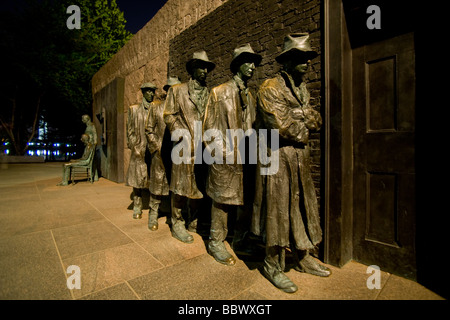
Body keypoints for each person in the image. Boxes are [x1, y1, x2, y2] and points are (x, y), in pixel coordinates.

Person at [252, 33, 330, 293]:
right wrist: (303, 120)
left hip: (299, 157)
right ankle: (272, 263)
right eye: (300, 58)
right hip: (276, 157)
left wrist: (302, 116)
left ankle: (303, 256)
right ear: (286, 61)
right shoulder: (269, 87)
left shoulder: (303, 88)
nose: (306, 63)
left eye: (307, 57)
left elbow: (317, 120)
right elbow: (280, 125)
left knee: (301, 205)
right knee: (277, 210)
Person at [203, 44, 262, 266]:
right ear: (237, 65)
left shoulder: (251, 94)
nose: (253, 67)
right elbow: (209, 129)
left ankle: (240, 239)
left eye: (254, 62)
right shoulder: (219, 92)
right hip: (226, 158)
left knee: (245, 199)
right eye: (248, 62)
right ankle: (216, 241)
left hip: (247, 157)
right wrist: (225, 154)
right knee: (222, 201)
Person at [164, 51, 215, 243]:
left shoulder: (210, 94)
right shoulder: (177, 91)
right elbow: (169, 115)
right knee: (180, 185)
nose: (204, 71)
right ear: (192, 69)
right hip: (184, 146)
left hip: (204, 147)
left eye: (206, 68)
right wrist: (182, 134)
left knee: (198, 186)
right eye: (200, 67)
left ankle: (193, 220)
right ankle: (176, 221)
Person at [143, 77, 181, 231]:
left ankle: (175, 215)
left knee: (175, 184)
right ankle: (153, 213)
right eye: (171, 89)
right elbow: (149, 129)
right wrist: (156, 147)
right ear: (167, 91)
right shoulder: (156, 106)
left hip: (177, 154)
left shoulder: (181, 108)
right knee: (157, 183)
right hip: (159, 153)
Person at [126, 83, 157, 219]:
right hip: (139, 149)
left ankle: (153, 208)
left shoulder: (156, 108)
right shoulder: (134, 109)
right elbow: (130, 131)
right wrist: (135, 146)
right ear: (143, 92)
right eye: (148, 91)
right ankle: (137, 205)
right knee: (137, 179)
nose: (151, 94)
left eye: (152, 91)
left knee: (154, 178)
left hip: (153, 150)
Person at [82, 114, 98, 181]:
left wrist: (94, 143)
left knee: (92, 161)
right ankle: (95, 176)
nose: (82, 120)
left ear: (87, 119)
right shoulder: (87, 126)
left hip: (91, 144)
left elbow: (94, 134)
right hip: (88, 143)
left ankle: (94, 176)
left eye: (83, 119)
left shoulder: (91, 125)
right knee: (92, 161)